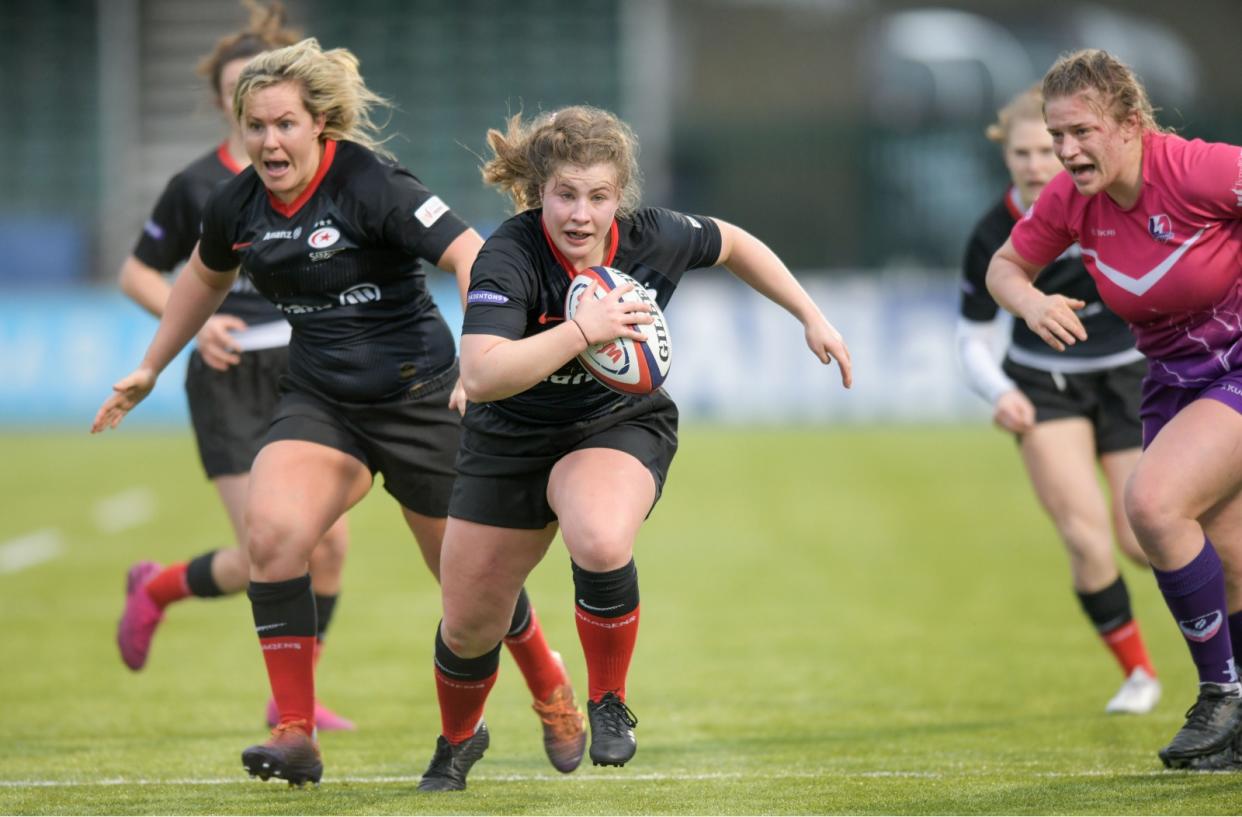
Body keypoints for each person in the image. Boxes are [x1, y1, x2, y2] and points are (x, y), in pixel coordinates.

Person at [93, 38, 585, 786]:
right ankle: (294, 731)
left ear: (318, 123)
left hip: (422, 398)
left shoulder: (371, 181)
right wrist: (150, 367)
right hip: (322, 401)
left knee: (473, 589)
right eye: (254, 126)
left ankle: (549, 683)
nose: (268, 141)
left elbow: (468, 252)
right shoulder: (238, 202)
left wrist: (480, 353)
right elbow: (200, 278)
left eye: (283, 124)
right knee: (273, 531)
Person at [413, 105, 853, 792]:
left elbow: (735, 243)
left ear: (620, 196)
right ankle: (459, 741)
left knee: (598, 535)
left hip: (615, 423)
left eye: (597, 196)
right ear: (538, 192)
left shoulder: (655, 237)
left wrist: (810, 313)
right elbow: (480, 373)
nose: (581, 214)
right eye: (565, 194)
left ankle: (608, 699)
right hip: (508, 439)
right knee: (468, 625)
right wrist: (582, 330)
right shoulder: (511, 252)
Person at [986, 49, 1242, 769]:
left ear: (1131, 124)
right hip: (1171, 380)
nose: (1065, 152)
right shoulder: (1072, 202)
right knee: (1228, 558)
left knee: (1154, 506)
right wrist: (1033, 303)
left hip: (1238, 366)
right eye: (1054, 134)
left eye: (1080, 132)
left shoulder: (1199, 170)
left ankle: (1220, 692)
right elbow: (1005, 267)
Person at [113, 0, 356, 733]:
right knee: (273, 546)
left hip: (305, 370)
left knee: (330, 545)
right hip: (227, 379)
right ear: (226, 102)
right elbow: (138, 272)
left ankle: (293, 699)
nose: (252, 102)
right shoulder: (200, 188)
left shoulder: (326, 175)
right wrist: (197, 322)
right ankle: (157, 587)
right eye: (235, 91)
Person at [958, 85, 1160, 715]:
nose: (1035, 162)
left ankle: (1220, 643)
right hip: (1046, 384)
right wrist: (1003, 391)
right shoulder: (994, 232)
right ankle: (1139, 676)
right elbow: (972, 339)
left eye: (1047, 148)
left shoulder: (1111, 199)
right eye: (1021, 151)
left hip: (1130, 374)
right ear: (1006, 155)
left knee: (1141, 536)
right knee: (1084, 538)